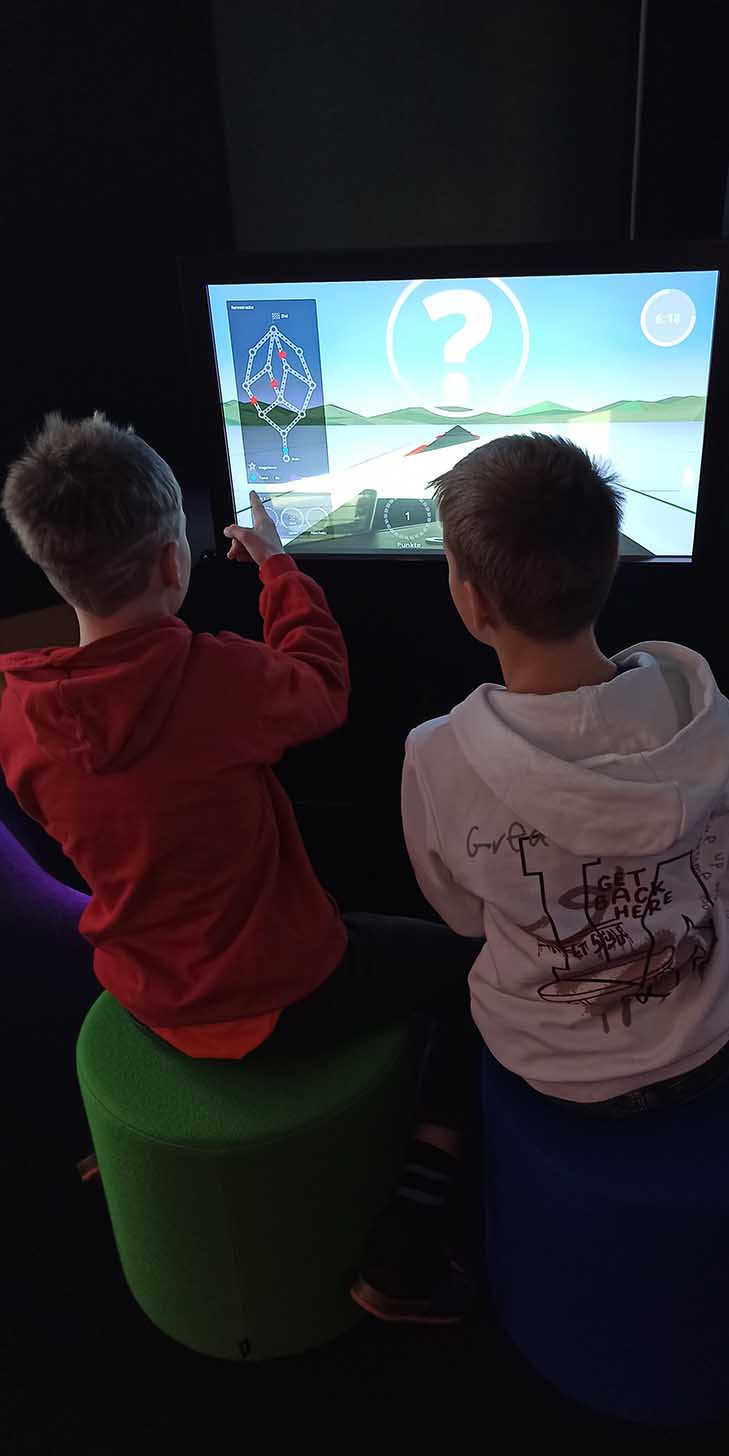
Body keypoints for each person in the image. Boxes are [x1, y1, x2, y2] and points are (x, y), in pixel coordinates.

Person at [0, 412, 480, 1326]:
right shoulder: (219, 678)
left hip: (144, 985)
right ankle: (411, 1234)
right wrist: (278, 569)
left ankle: (145, 1147)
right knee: (472, 974)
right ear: (172, 561)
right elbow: (322, 688)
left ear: (49, 565)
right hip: (277, 992)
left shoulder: (16, 714)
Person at [402, 433, 729, 1122]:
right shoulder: (709, 717)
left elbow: (463, 917)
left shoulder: (436, 756)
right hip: (715, 1039)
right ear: (611, 563)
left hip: (551, 1068)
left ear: (473, 602)